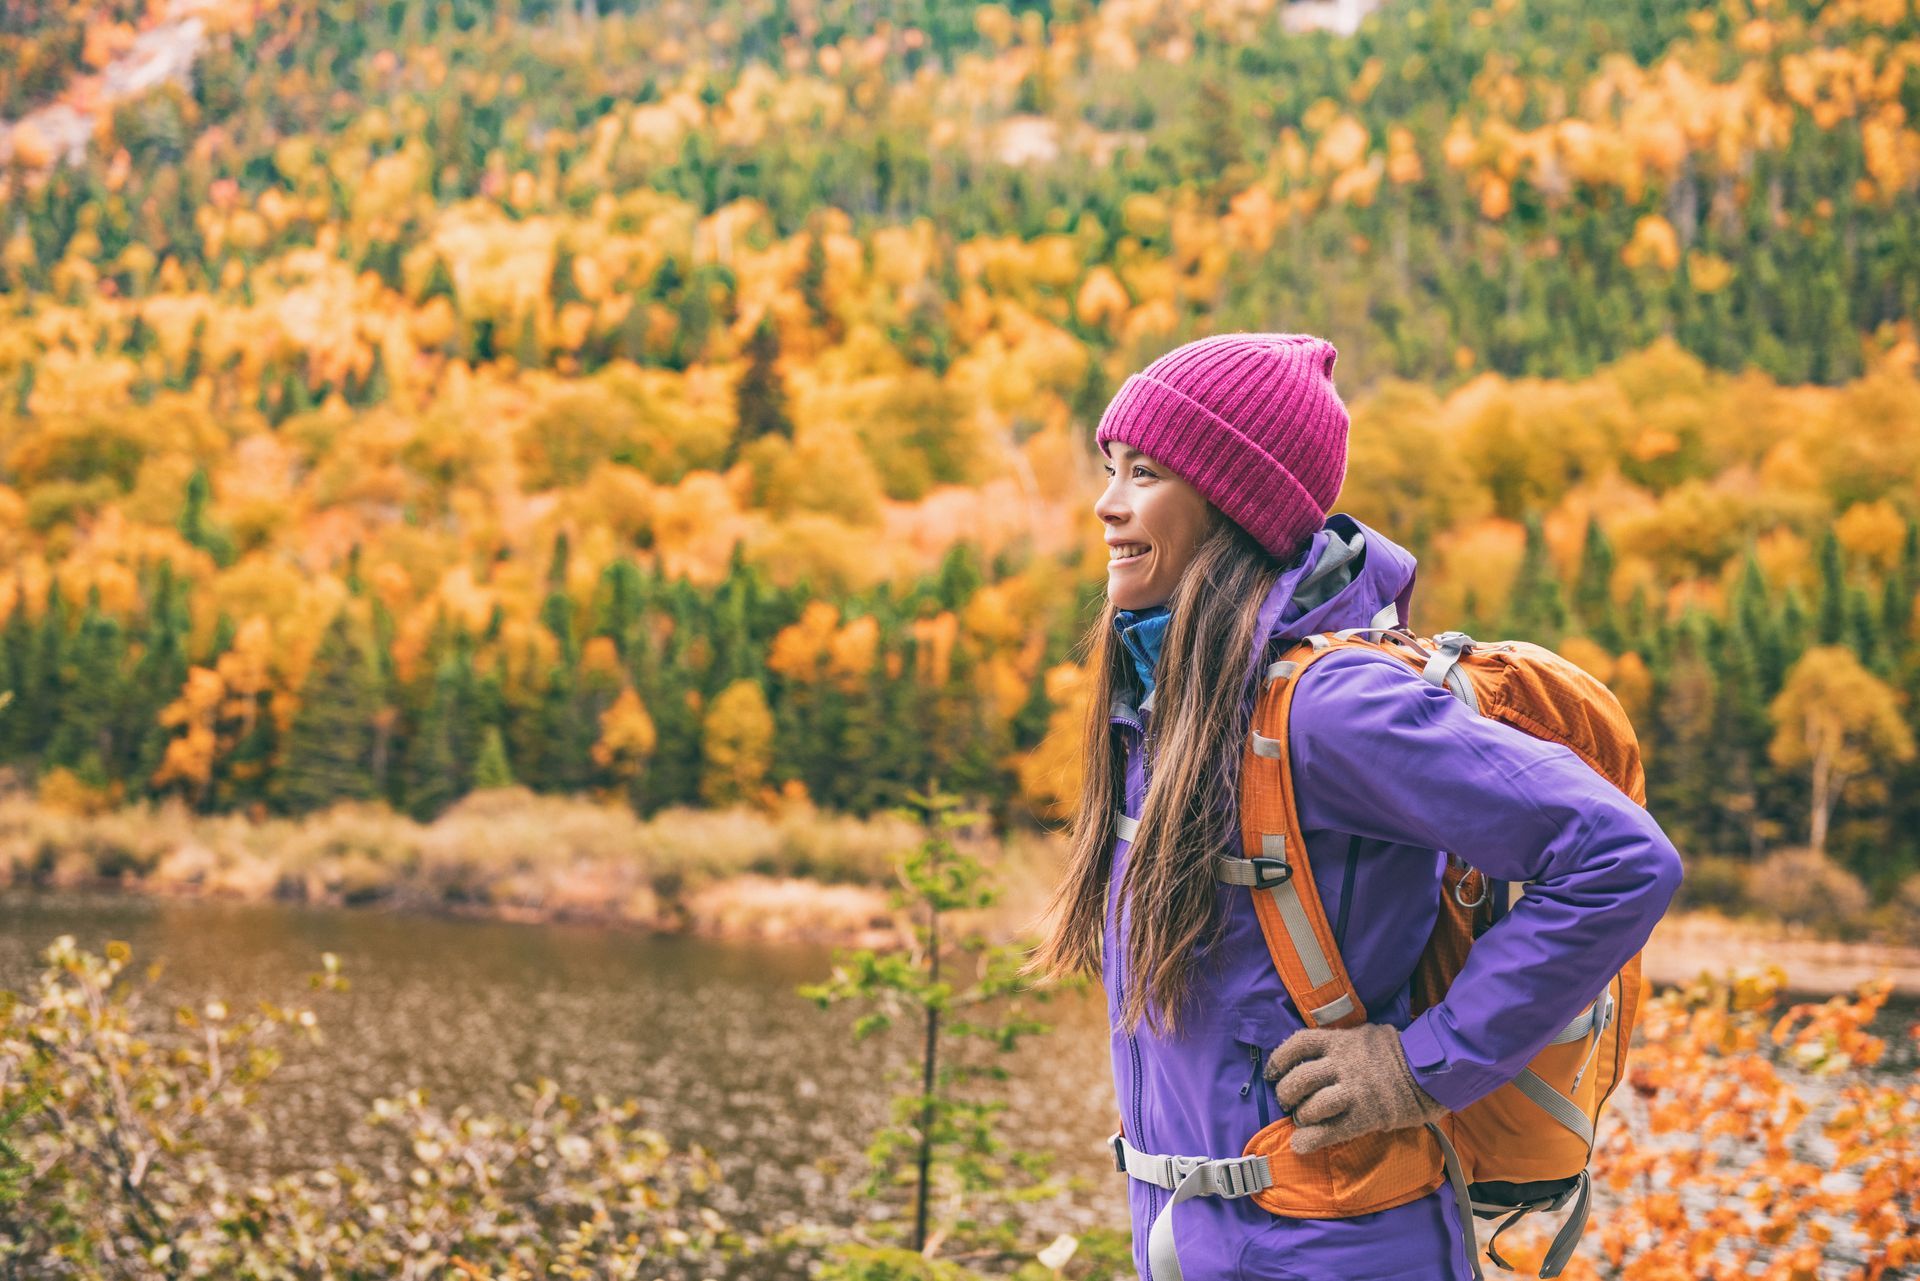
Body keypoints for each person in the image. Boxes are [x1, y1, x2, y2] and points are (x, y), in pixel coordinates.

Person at [1031, 333, 1683, 1280]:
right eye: (1111, 468)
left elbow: (1623, 861)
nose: (1108, 501)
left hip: (1335, 1250)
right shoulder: (1169, 701)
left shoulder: (1332, 708)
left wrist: (1420, 1067)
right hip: (1206, 1242)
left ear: (1235, 508)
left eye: (1145, 474)